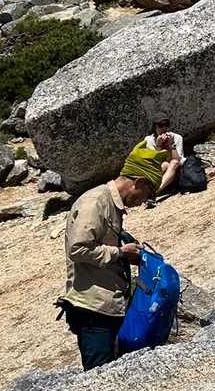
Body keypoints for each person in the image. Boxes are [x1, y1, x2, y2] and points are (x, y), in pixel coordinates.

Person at [57, 144, 164, 369]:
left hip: (110, 305)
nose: (144, 201)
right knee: (99, 375)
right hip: (93, 310)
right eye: (148, 194)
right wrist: (120, 252)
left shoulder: (112, 205)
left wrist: (126, 254)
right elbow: (78, 249)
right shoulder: (95, 202)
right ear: (139, 182)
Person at [143, 117, 184, 199]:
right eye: (160, 126)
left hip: (177, 171)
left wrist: (171, 145)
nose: (164, 128)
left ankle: (156, 192)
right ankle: (150, 190)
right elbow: (155, 162)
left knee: (174, 163)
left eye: (166, 125)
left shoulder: (177, 137)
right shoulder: (149, 140)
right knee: (165, 164)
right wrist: (158, 147)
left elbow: (178, 160)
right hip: (160, 171)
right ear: (155, 127)